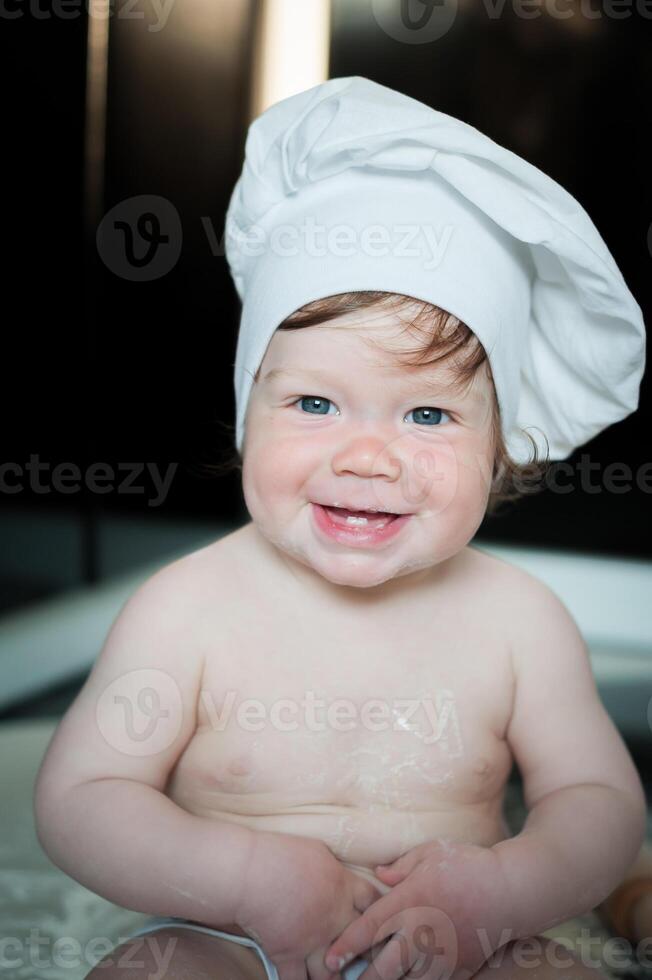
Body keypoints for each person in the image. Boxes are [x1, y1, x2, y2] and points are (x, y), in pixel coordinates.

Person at [33, 77, 650, 980]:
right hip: (235, 944)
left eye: (429, 417)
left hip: (462, 948)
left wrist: (500, 894)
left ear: (500, 452)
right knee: (148, 969)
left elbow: (596, 802)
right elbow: (82, 799)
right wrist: (242, 880)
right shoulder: (186, 609)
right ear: (250, 411)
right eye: (316, 402)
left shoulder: (521, 620)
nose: (368, 457)